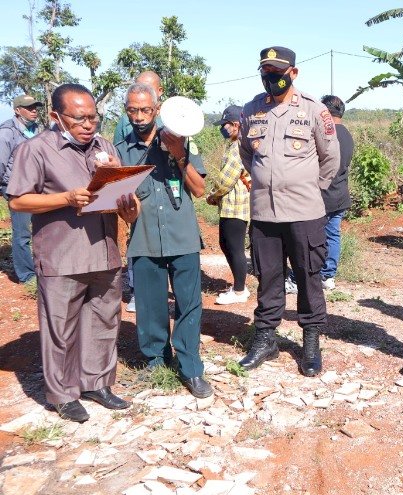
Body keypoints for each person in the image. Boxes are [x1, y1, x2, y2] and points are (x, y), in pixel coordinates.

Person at [7, 83, 137, 422]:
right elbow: (19, 200)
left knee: (104, 320)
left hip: (104, 251)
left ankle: (97, 383)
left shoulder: (104, 147)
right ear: (56, 116)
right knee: (60, 326)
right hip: (61, 254)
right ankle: (63, 394)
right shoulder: (36, 150)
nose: (88, 124)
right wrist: (65, 198)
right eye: (79, 118)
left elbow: (123, 202)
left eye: (93, 117)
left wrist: (129, 205)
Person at [237, 46, 339, 377]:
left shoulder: (313, 110)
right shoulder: (251, 110)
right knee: (268, 277)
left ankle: (310, 342)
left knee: (309, 276)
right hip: (265, 213)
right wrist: (267, 181)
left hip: (304, 212)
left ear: (292, 73)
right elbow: (246, 154)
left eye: (277, 73)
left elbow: (330, 159)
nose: (271, 79)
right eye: (266, 72)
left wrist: (309, 190)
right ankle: (266, 339)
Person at [115, 82, 213, 399]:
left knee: (188, 305)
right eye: (133, 110)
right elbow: (122, 209)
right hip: (143, 240)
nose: (140, 116)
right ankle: (157, 361)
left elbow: (199, 191)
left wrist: (180, 155)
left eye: (145, 109)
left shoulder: (180, 138)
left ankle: (190, 368)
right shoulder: (121, 151)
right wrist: (128, 212)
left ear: (156, 110)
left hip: (182, 238)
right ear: (126, 110)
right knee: (150, 306)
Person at [284, 94, 354, 293]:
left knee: (310, 238)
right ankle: (328, 275)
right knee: (332, 235)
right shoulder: (346, 134)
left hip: (322, 195)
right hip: (339, 194)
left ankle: (305, 278)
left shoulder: (327, 133)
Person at [113, 71, 164, 313]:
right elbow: (118, 158)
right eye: (133, 109)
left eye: (148, 88)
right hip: (136, 196)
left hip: (164, 196)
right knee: (137, 241)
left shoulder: (170, 121)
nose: (139, 116)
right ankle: (136, 290)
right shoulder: (125, 122)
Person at [206, 105, 252, 305]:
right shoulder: (241, 143)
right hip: (233, 205)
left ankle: (240, 290)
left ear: (235, 124)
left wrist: (212, 195)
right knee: (227, 245)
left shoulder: (238, 147)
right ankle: (239, 285)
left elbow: (227, 179)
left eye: (225, 125)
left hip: (235, 205)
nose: (222, 129)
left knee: (234, 247)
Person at [1, 95, 43, 284]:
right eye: (29, 107)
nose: (34, 110)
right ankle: (27, 276)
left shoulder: (37, 130)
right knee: (22, 233)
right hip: (17, 188)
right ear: (17, 110)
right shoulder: (7, 132)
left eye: (35, 107)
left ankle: (42, 269)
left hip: (37, 187)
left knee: (42, 229)